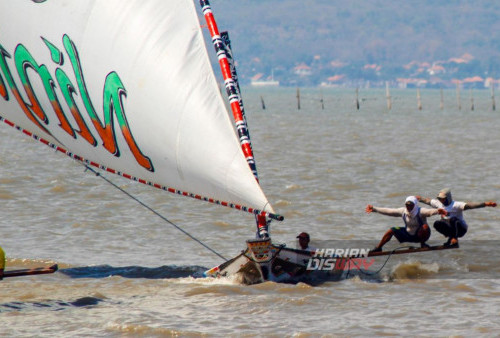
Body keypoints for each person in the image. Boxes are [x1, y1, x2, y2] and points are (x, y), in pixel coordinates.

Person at [417, 188, 497, 247]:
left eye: (443, 199)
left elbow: (471, 206)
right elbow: (427, 201)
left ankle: (455, 239)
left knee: (453, 220)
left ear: (448, 197)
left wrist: (486, 204)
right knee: (436, 223)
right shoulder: (438, 204)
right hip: (451, 229)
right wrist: (418, 198)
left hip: (461, 229)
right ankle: (450, 237)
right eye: (440, 199)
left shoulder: (456, 205)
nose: (441, 201)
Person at [366, 196, 447, 252]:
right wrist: (374, 209)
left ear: (415, 205)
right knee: (391, 230)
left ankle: (423, 244)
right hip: (408, 235)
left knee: (425, 227)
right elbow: (389, 211)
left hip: (420, 236)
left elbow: (429, 212)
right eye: (407, 205)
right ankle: (378, 248)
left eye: (411, 205)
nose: (408, 207)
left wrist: (438, 211)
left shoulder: (420, 211)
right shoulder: (403, 211)